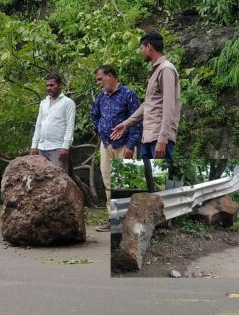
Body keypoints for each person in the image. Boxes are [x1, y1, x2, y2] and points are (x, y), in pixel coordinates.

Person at [110, 31, 181, 159]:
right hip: (148, 137)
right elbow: (148, 105)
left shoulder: (166, 69)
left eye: (142, 48)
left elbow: (169, 106)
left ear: (149, 47)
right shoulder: (155, 71)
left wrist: (163, 139)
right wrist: (126, 124)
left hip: (158, 138)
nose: (141, 52)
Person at [91, 65, 140, 232]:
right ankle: (113, 221)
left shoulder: (128, 94)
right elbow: (94, 115)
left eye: (100, 79)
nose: (98, 83)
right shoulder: (100, 97)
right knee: (108, 184)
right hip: (106, 145)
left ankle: (130, 221)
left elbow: (136, 121)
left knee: (126, 184)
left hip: (125, 146)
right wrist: (100, 129)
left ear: (110, 76)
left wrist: (131, 146)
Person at [30, 73, 76, 172]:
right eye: (47, 86)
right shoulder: (43, 103)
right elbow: (38, 125)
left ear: (60, 85)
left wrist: (65, 146)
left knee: (59, 180)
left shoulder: (68, 103)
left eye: (52, 85)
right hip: (42, 148)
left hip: (58, 148)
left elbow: (70, 125)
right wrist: (34, 145)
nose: (49, 88)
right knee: (42, 179)